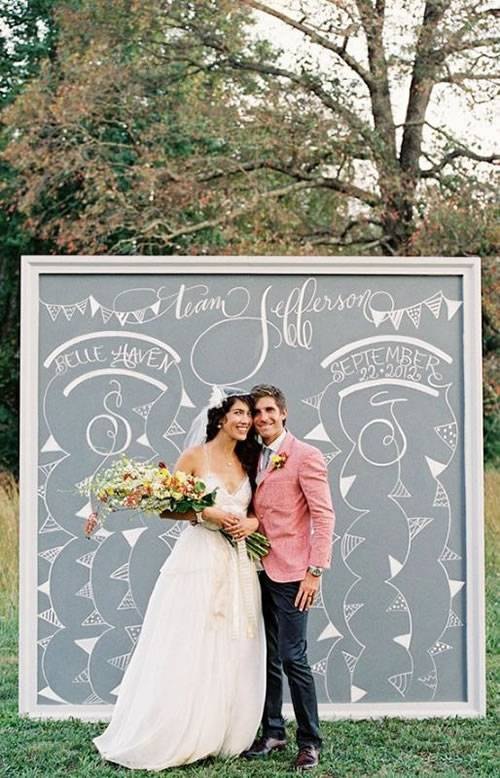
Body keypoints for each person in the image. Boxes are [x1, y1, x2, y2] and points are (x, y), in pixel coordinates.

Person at [88, 395, 266, 770]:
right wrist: (205, 514)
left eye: (249, 415)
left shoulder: (248, 460)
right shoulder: (195, 456)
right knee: (192, 638)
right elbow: (167, 508)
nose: (246, 420)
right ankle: (180, 730)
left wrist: (249, 523)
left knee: (232, 642)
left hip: (238, 562)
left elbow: (255, 511)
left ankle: (221, 731)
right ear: (220, 418)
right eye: (238, 413)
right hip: (200, 557)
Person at [243, 384, 335, 771]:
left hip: (294, 572)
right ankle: (273, 731)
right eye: (256, 412)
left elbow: (324, 516)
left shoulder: (305, 455)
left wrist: (315, 571)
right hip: (255, 568)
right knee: (267, 656)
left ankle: (310, 741)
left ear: (283, 412)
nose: (262, 418)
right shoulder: (251, 456)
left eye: (269, 410)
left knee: (292, 656)